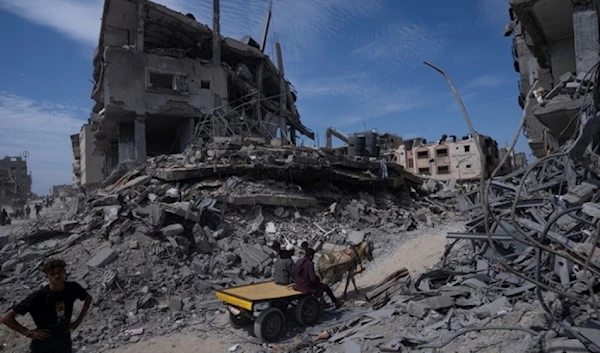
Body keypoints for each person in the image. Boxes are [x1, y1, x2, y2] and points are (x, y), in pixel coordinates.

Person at [0, 258, 93, 353]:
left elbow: (88, 298)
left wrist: (78, 320)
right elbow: (6, 318)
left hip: (64, 343)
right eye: (52, 274)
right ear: (47, 277)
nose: (57, 276)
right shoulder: (38, 296)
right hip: (43, 346)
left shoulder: (73, 288)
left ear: (64, 272)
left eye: (59, 272)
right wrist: (28, 332)